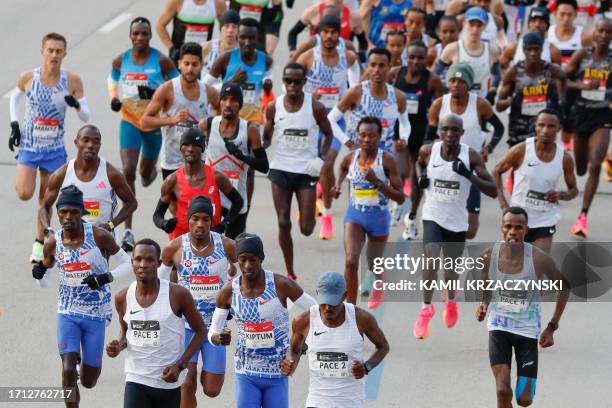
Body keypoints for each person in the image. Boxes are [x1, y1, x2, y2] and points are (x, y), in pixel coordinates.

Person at [32, 185, 131, 408]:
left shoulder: (99, 236)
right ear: (58, 214)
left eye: (74, 212)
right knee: (67, 369)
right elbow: (45, 281)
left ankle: (83, 367)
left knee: (89, 381)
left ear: (82, 213)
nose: (68, 217)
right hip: (67, 313)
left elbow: (128, 264)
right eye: (63, 212)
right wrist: (40, 274)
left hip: (96, 315)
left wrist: (104, 278)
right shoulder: (53, 242)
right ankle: (72, 368)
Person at [208, 233, 317, 408]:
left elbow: (317, 314)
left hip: (277, 373)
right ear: (237, 259)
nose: (248, 265)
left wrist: (298, 350)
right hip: (246, 373)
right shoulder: (228, 291)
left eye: (253, 260)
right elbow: (213, 331)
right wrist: (218, 338)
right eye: (242, 260)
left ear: (261, 258)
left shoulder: (281, 285)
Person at [412, 114, 497, 339]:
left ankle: (450, 300)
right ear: (439, 132)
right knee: (431, 258)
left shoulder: (471, 156)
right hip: (432, 215)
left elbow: (493, 190)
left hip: (457, 221)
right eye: (446, 129)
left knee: (450, 269)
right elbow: (419, 163)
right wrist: (421, 176)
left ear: (461, 133)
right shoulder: (428, 151)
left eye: (455, 130)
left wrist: (467, 174)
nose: (450, 134)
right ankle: (426, 308)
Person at [476, 206, 569, 408]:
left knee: (524, 400)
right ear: (502, 228)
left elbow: (564, 288)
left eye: (519, 227)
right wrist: (483, 304)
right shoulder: (488, 256)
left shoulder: (539, 259)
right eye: (508, 226)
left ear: (526, 230)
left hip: (527, 332)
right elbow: (486, 286)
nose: (513, 232)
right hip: (499, 327)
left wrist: (552, 326)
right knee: (502, 391)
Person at [9, 32, 90, 263]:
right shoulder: (29, 77)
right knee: (24, 193)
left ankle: (39, 240)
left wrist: (76, 106)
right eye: (50, 50)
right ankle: (41, 234)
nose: (54, 54)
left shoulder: (71, 81)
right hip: (30, 147)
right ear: (42, 51)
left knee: (46, 200)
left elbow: (86, 116)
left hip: (54, 150)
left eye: (59, 51)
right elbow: (14, 99)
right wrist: (14, 124)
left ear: (65, 53)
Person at [106, 239, 206, 408]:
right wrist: (118, 345)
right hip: (136, 378)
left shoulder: (177, 294)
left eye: (149, 260)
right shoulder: (122, 297)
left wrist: (180, 365)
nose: (143, 264)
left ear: (159, 264)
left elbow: (201, 331)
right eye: (138, 259)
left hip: (168, 381)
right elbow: (125, 332)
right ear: (132, 263)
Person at [108, 17, 179, 251]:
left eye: (144, 34)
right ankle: (127, 230)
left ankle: (148, 171)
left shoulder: (162, 61)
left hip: (152, 124)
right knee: (127, 168)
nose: (140, 38)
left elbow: (176, 86)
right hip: (129, 121)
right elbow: (113, 80)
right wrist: (114, 99)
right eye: (136, 33)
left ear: (150, 36)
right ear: (130, 35)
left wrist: (165, 105)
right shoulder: (121, 60)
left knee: (145, 175)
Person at [159, 196, 237, 405]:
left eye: (205, 219)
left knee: (212, 390)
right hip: (185, 326)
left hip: (215, 326)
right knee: (186, 383)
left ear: (212, 221)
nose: (200, 224)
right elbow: (157, 283)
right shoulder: (174, 248)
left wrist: (234, 310)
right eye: (195, 219)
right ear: (187, 219)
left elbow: (241, 282)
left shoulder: (227, 246)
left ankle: (206, 371)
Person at [263, 63, 334, 280]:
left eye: (297, 81)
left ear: (304, 83)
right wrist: (258, 147)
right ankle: (290, 272)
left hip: (306, 171)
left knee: (306, 228)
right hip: (281, 169)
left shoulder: (316, 108)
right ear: (283, 82)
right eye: (288, 81)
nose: (292, 85)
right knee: (283, 222)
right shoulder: (274, 107)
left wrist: (320, 158)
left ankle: (307, 211)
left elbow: (329, 135)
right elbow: (266, 137)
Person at [281, 272, 390, 408]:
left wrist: (366, 367)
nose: (328, 308)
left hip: (350, 401)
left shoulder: (361, 319)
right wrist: (291, 362)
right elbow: (295, 350)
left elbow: (383, 346)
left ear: (344, 296)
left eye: (333, 302)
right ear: (317, 294)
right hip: (317, 401)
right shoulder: (303, 321)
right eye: (324, 302)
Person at [423, 63, 504, 240]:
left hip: (470, 165)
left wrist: (488, 148)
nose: (456, 85)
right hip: (444, 165)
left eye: (461, 81)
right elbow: (428, 138)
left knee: (470, 231)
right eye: (452, 80)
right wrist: (433, 148)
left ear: (468, 84)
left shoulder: (480, 105)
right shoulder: (439, 105)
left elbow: (499, 128)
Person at [297, 15, 360, 240]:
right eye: (326, 32)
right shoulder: (308, 58)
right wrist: (306, 96)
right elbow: (292, 79)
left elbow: (356, 78)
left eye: (334, 32)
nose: (330, 36)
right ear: (319, 34)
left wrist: (352, 94)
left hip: (336, 120)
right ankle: (316, 194)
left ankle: (327, 217)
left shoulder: (348, 56)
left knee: (328, 163)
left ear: (338, 35)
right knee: (317, 167)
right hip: (313, 120)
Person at [331, 117, 404, 307]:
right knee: (351, 260)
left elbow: (400, 197)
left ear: (379, 137)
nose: (367, 139)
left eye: (372, 135)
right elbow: (341, 168)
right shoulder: (351, 157)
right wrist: (337, 185)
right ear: (357, 135)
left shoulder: (386, 160)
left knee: (374, 263)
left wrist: (377, 183)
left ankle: (379, 281)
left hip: (378, 218)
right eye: (363, 135)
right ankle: (351, 309)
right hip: (355, 216)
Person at [492, 109, 578, 253]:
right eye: (541, 125)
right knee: (512, 268)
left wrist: (561, 195)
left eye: (551, 126)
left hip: (545, 220)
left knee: (537, 267)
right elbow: (496, 171)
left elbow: (573, 190)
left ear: (558, 128)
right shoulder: (521, 150)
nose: (545, 130)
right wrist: (504, 206)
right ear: (535, 127)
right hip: (517, 220)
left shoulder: (565, 158)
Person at [39, 125, 138, 238]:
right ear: (76, 142)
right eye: (85, 140)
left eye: (96, 142)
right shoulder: (61, 174)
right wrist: (48, 230)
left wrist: (111, 225)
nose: (90, 145)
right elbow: (44, 207)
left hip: (104, 241)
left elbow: (132, 203)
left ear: (99, 145)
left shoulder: (111, 174)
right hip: (72, 240)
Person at [141, 42, 219, 180]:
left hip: (200, 159)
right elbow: (145, 121)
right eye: (186, 64)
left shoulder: (209, 92)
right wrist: (171, 120)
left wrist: (209, 125)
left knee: (198, 201)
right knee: (172, 201)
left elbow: (218, 116)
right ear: (179, 64)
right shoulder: (167, 89)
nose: (190, 69)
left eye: (194, 64)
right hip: (172, 161)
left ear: (201, 64)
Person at [564, 18, 612, 239]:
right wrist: (581, 85)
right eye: (601, 31)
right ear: (594, 32)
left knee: (594, 165)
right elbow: (564, 80)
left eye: (608, 32)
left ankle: (583, 216)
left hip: (602, 116)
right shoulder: (582, 55)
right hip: (581, 115)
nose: (604, 35)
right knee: (581, 168)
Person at [389, 41, 443, 233]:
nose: (416, 61)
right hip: (400, 132)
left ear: (427, 59)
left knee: (417, 178)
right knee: (401, 171)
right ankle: (397, 202)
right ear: (406, 57)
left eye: (420, 58)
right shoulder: (396, 74)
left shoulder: (432, 80)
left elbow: (440, 107)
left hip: (422, 135)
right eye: (412, 57)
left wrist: (436, 135)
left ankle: (411, 216)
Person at [154, 128, 244, 240]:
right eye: (186, 144)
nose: (190, 149)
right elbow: (157, 215)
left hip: (210, 239)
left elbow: (238, 202)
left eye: (195, 145)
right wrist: (164, 224)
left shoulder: (217, 177)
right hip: (182, 240)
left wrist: (224, 224)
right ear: (181, 148)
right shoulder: (172, 181)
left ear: (202, 149)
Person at [205, 83, 269, 239]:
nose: (228, 104)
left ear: (240, 104)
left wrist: (243, 157)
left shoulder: (249, 130)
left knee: (232, 249)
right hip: (211, 195)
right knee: (207, 243)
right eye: (224, 99)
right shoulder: (207, 125)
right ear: (219, 102)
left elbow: (264, 166)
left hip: (236, 199)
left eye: (233, 100)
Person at [496, 33, 566, 150]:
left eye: (536, 49)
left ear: (541, 50)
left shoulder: (550, 70)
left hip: (544, 126)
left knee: (543, 162)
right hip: (519, 126)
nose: (533, 53)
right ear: (524, 51)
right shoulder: (514, 72)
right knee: (518, 163)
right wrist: (510, 101)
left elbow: (563, 78)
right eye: (529, 49)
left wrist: (561, 99)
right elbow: (499, 106)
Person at [548, 0, 593, 150]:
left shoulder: (584, 37)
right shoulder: (548, 34)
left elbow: (590, 62)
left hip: (574, 87)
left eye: (569, 15)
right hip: (552, 87)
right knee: (551, 121)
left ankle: (567, 141)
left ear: (575, 15)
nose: (565, 19)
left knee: (568, 128)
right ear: (555, 14)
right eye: (562, 14)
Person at [436, 7, 501, 104]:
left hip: (481, 103)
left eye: (479, 25)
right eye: (471, 24)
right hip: (456, 104)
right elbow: (435, 74)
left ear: (485, 26)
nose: (475, 29)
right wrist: (447, 90)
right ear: (464, 24)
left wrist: (493, 90)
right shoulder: (452, 49)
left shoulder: (492, 50)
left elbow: (497, 74)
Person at [156, 0, 227, 64]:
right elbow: (160, 26)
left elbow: (227, 28)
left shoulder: (218, 3)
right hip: (180, 55)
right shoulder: (177, 2)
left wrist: (220, 49)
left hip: (203, 56)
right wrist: (172, 49)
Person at [201, 10, 240, 78]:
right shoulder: (206, 48)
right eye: (226, 26)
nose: (230, 30)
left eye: (234, 27)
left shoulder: (242, 51)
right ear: (220, 28)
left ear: (238, 30)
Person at [427, 15, 460, 84]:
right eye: (444, 32)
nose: (448, 35)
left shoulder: (463, 49)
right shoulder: (433, 51)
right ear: (439, 33)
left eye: (452, 31)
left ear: (458, 31)